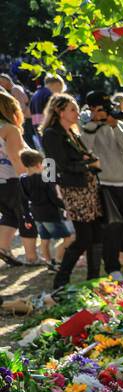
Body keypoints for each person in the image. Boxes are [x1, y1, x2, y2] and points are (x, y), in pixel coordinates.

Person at [81, 90, 123, 275]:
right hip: (105, 184)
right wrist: (94, 123)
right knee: (111, 229)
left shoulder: (117, 123)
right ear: (92, 109)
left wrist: (115, 126)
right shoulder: (86, 124)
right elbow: (85, 148)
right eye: (100, 108)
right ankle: (112, 268)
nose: (104, 111)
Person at [41, 93, 104, 288]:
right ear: (59, 111)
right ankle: (61, 279)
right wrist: (88, 164)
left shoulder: (73, 132)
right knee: (84, 237)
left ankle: (93, 278)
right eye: (72, 109)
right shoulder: (52, 134)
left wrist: (90, 163)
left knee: (96, 234)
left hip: (88, 188)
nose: (77, 112)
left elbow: (82, 157)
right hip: (73, 189)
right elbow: (60, 165)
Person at [0, 89, 39, 266]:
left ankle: (3, 248)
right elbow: (17, 158)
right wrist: (30, 181)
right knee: (26, 217)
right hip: (13, 180)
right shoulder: (9, 129)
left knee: (10, 215)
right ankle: (32, 257)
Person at [18, 148, 71, 267]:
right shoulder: (45, 179)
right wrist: (65, 207)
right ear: (38, 164)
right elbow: (53, 197)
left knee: (44, 238)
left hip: (36, 214)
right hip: (49, 213)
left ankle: (48, 261)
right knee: (68, 238)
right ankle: (58, 259)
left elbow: (23, 200)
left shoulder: (22, 179)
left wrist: (27, 216)